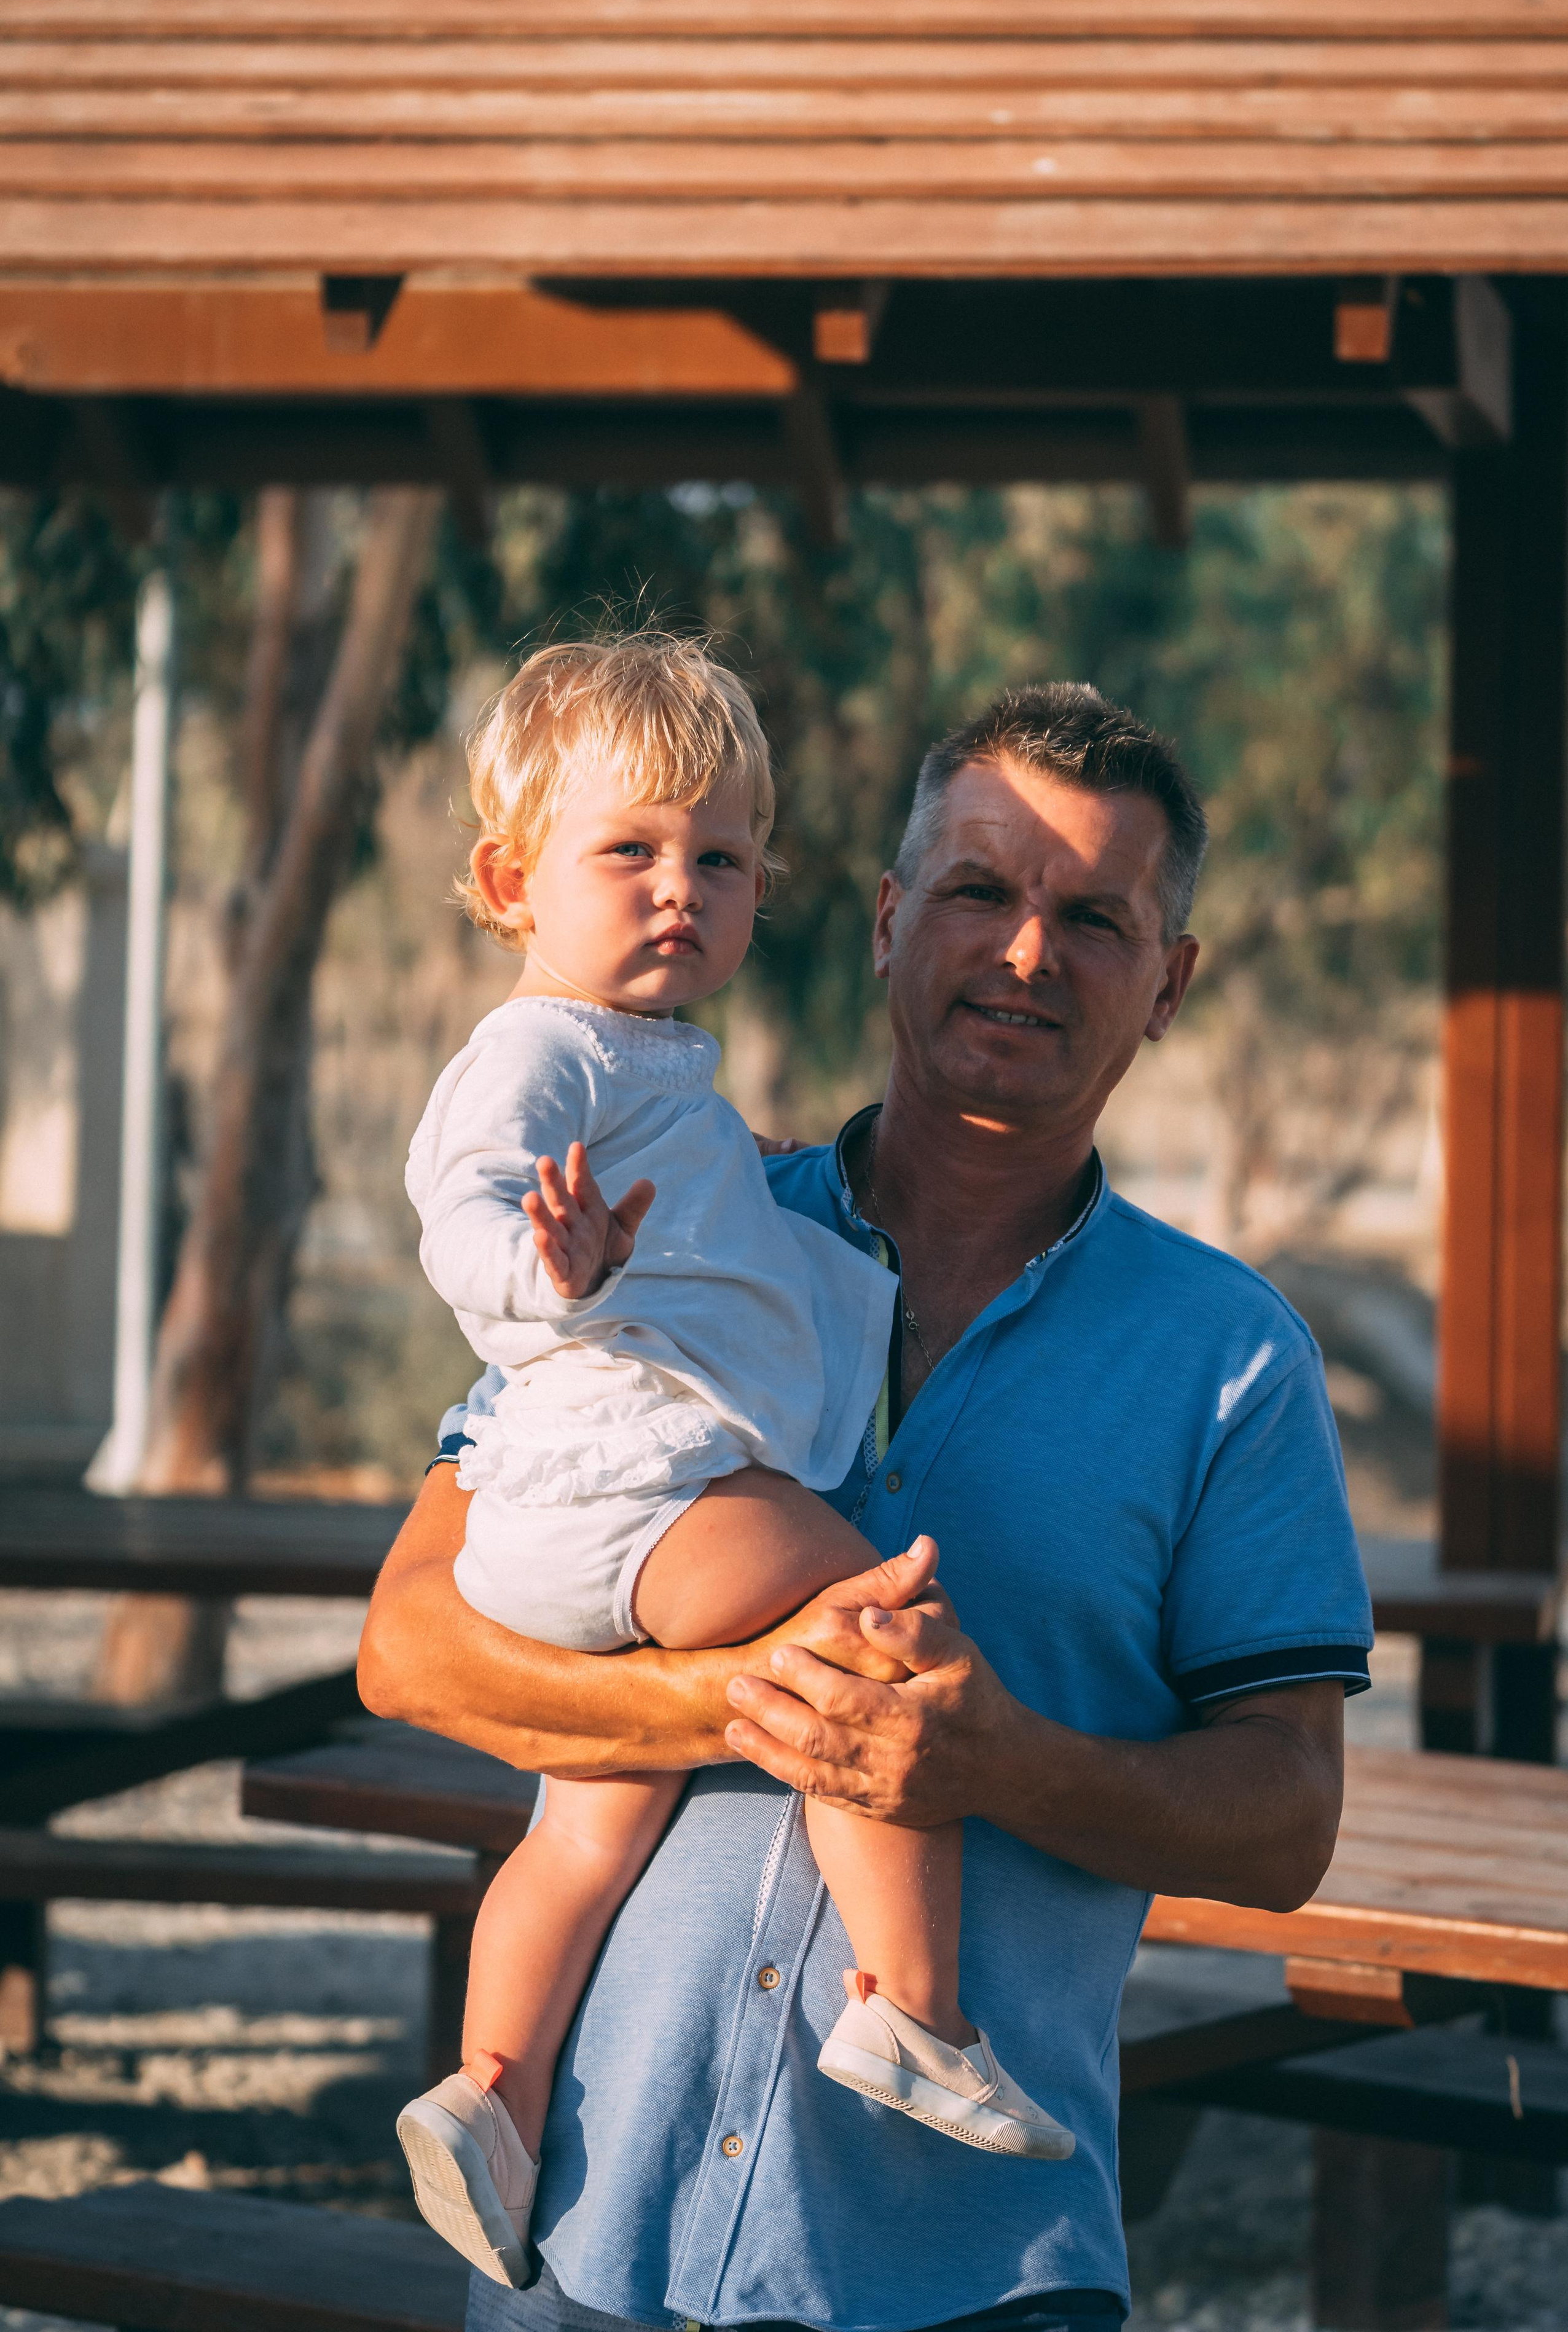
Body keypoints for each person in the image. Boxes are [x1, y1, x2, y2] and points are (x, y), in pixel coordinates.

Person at [360, 675, 1373, 2332]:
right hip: (589, 2256)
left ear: (1170, 982)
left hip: (967, 2276)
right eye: (980, 890)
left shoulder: (1234, 1366)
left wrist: (1002, 1764)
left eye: (1094, 918)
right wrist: (725, 1698)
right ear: (895, 919)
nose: (1027, 950)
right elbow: (409, 1647)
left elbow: (1286, 1822)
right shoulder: (663, 1221)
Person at [396, 638, 1072, 2294]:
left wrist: (729, 1182)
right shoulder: (540, 1049)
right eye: (629, 851)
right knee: (865, 1622)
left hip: (571, 1520)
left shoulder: (656, 1073)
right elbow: (460, 1200)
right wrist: (536, 1267)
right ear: (511, 878)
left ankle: (490, 2093)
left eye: (720, 858)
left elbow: (677, 1210)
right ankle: (914, 2011)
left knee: (582, 1832)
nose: (679, 889)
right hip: (639, 1490)